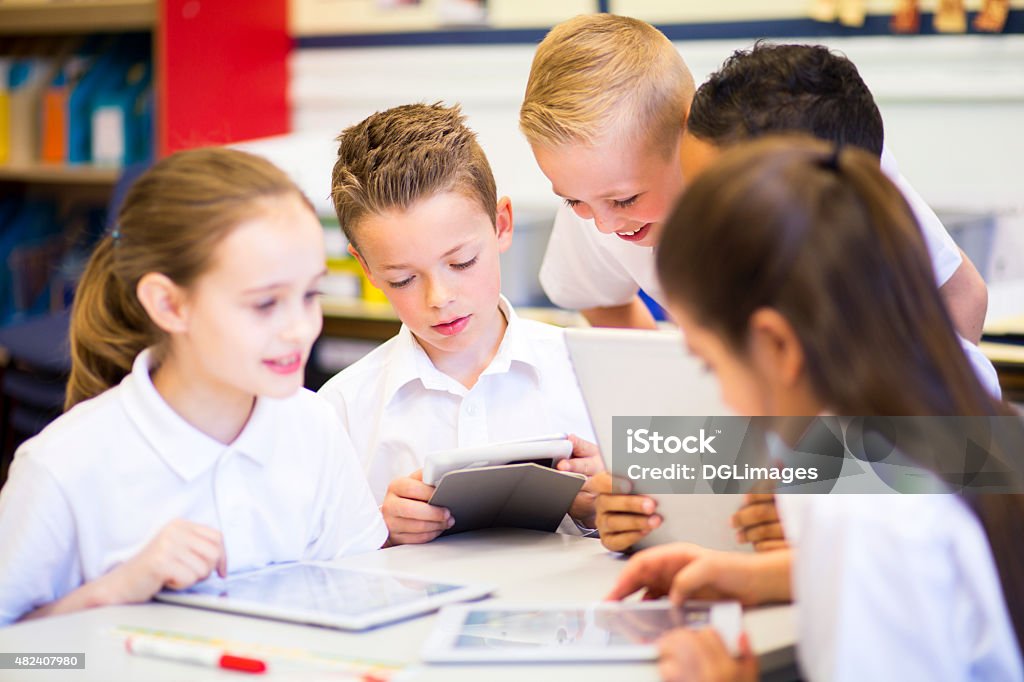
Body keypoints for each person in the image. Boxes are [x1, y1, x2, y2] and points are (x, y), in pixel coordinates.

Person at [606, 136, 1024, 681]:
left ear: (777, 346)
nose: (724, 399)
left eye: (712, 365)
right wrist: (763, 577)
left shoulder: (864, 518)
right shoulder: (949, 425)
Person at [560, 40, 1000, 552]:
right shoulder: (767, 363)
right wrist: (636, 500)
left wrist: (815, 506)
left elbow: (972, 478)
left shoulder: (937, 370)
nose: (694, 228)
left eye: (718, 204)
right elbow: (732, 458)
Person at [0, 148, 387, 625]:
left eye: (310, 295)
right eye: (265, 304)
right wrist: (111, 594)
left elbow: (366, 598)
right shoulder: (62, 468)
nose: (300, 329)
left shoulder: (315, 426)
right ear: (169, 304)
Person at [520, 15, 988, 343]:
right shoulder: (598, 186)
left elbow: (960, 293)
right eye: (573, 202)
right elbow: (598, 301)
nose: (600, 224)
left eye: (625, 199)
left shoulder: (804, 149)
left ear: (688, 128)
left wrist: (908, 430)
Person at [318, 103, 602, 546]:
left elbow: (694, 524)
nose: (440, 298)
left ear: (501, 224)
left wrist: (602, 508)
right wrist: (381, 533)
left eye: (462, 262)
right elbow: (316, 562)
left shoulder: (592, 371)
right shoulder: (340, 409)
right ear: (367, 269)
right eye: (403, 279)